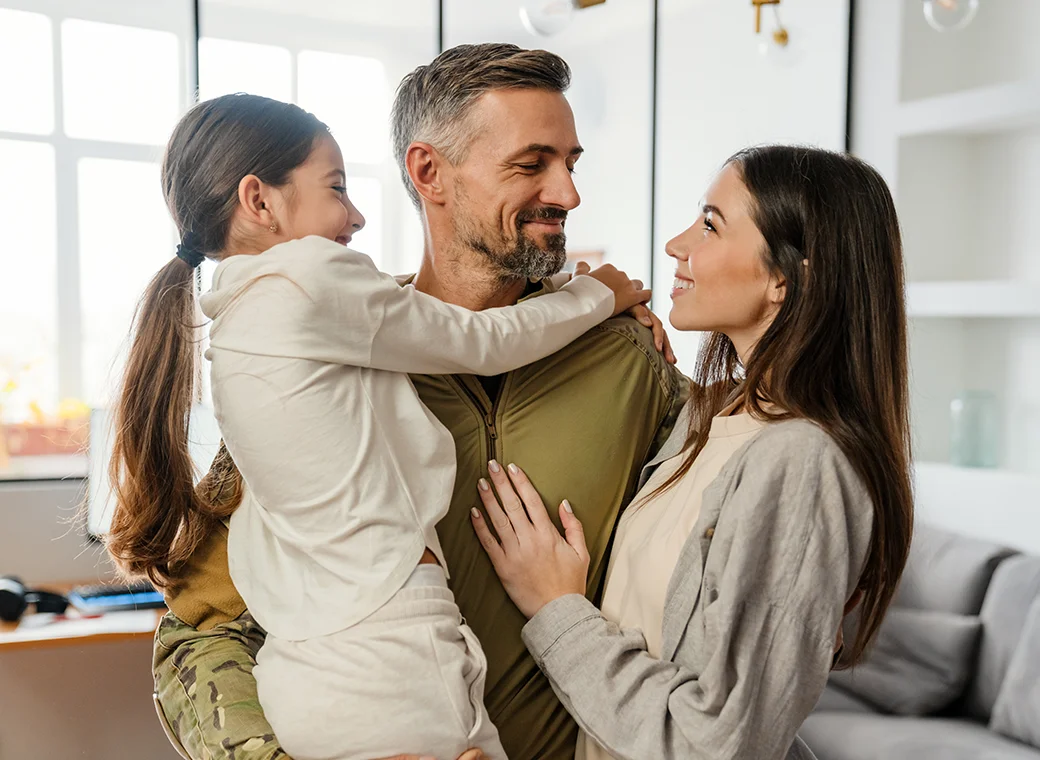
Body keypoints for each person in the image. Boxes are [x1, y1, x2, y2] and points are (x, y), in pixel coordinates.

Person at [150, 44, 689, 760]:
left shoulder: (630, 362)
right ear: (429, 172)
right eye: (531, 164)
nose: (568, 194)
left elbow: (738, 572)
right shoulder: (319, 371)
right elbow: (200, 629)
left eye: (571, 163)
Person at [470, 145, 916, 760]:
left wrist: (556, 608)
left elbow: (717, 743)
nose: (676, 245)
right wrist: (590, 318)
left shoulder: (802, 462)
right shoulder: (710, 417)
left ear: (785, 279)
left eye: (710, 225)